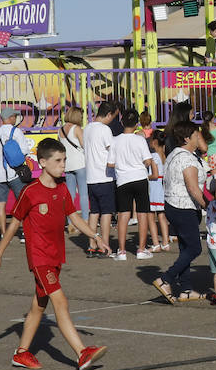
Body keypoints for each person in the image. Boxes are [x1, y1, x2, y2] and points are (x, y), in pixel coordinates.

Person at [0, 138, 110, 370]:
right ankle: (82, 353)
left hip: (55, 256)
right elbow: (14, 225)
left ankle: (22, 353)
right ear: (42, 162)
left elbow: (74, 217)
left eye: (64, 160)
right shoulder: (30, 192)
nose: (63, 165)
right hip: (40, 257)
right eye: (58, 161)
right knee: (60, 301)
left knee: (38, 305)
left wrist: (94, 236)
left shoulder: (63, 188)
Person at [153, 121, 209, 303]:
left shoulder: (173, 154)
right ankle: (166, 279)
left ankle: (185, 289)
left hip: (172, 205)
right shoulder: (186, 158)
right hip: (183, 206)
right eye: (195, 135)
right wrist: (209, 205)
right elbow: (193, 188)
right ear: (187, 138)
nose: (198, 138)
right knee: (194, 248)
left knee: (185, 247)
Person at [110, 109, 156, 260]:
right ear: (137, 123)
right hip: (140, 178)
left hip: (123, 180)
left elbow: (110, 163)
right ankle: (141, 250)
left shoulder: (115, 140)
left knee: (124, 214)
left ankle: (121, 251)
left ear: (122, 122)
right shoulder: (140, 139)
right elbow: (148, 160)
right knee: (142, 214)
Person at [0, 105, 33, 239]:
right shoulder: (16, 132)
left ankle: (3, 233)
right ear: (10, 118)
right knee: (22, 202)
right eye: (15, 116)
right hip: (14, 173)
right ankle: (25, 232)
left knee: (1, 204)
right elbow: (24, 150)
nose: (16, 119)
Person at [82, 101, 119, 258]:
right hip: (104, 176)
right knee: (106, 213)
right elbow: (112, 150)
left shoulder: (87, 128)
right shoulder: (105, 130)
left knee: (94, 212)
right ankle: (104, 245)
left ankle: (92, 245)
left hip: (90, 176)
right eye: (114, 117)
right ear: (109, 114)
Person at [58, 108, 88, 226]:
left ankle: (70, 222)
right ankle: (85, 220)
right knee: (83, 193)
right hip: (80, 164)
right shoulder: (77, 129)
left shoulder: (60, 130)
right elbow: (84, 145)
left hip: (68, 165)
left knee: (70, 195)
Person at [148, 131, 171, 252]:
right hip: (163, 188)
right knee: (162, 216)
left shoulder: (153, 157)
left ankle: (156, 243)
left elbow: (155, 175)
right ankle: (165, 242)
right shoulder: (165, 156)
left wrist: (146, 176)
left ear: (155, 142)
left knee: (151, 217)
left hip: (154, 188)